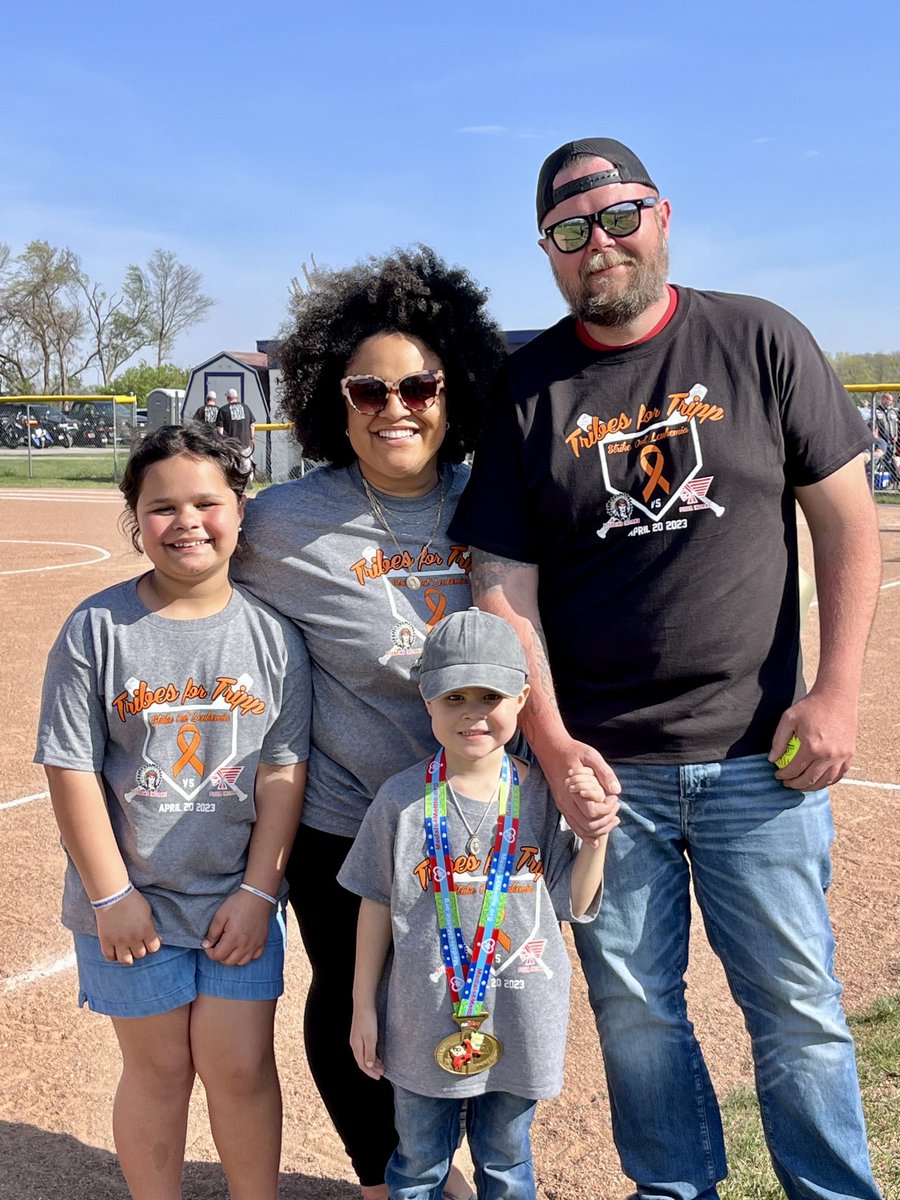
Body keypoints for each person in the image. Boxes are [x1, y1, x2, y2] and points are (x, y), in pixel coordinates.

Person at [449, 137, 884, 1200]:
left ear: (663, 215)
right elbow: (502, 584)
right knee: (639, 1016)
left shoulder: (758, 337)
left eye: (619, 215)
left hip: (760, 757)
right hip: (609, 775)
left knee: (796, 1008)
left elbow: (847, 522)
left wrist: (834, 691)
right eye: (569, 230)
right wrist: (551, 750)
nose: (598, 244)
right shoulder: (528, 388)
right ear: (547, 251)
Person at [231, 247, 510, 1200]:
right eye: (368, 390)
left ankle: (477, 1158)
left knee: (471, 987)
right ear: (333, 399)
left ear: (452, 388)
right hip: (347, 820)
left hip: (477, 813)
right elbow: (187, 562)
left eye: (419, 385)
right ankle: (385, 1176)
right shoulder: (281, 524)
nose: (396, 407)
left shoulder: (495, 499)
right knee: (350, 999)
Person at [34, 423, 311, 1200]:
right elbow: (72, 767)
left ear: (240, 512)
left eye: (205, 502)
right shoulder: (97, 630)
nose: (186, 521)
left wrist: (260, 894)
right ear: (135, 519)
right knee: (157, 1070)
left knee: (240, 1066)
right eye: (161, 507)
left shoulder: (274, 639)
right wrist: (111, 896)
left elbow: (283, 773)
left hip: (235, 902)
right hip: (132, 906)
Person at [339, 608, 610, 1200]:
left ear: (521, 697)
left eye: (489, 695)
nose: (472, 714)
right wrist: (364, 1004)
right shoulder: (402, 800)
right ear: (427, 701)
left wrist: (595, 839)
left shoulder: (541, 797)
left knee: (507, 1164)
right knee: (417, 1166)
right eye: (453, 696)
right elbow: (376, 903)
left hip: (521, 1018)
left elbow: (574, 902)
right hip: (419, 1019)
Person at [216, 386, 256, 478]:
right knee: (246, 462)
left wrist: (221, 442)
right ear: (236, 397)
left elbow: (220, 431)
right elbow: (252, 424)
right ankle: (248, 478)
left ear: (227, 398)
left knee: (233, 465)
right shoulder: (246, 407)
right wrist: (252, 437)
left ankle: (236, 481)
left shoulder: (223, 410)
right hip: (245, 443)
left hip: (231, 445)